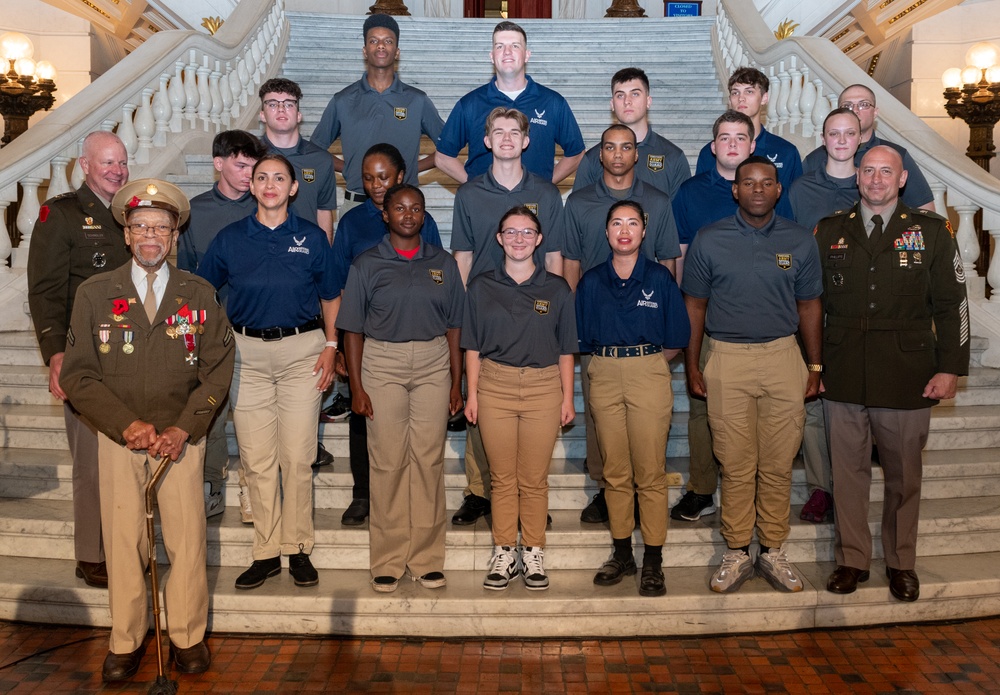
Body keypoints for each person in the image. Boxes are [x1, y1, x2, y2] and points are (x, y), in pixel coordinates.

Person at [60, 179, 234, 682]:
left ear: (175, 234)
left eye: (161, 226)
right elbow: (78, 374)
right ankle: (127, 639)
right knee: (123, 542)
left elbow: (218, 368)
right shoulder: (95, 293)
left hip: (180, 443)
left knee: (185, 541)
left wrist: (184, 427)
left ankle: (186, 635)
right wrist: (125, 424)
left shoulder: (198, 293)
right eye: (141, 227)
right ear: (127, 235)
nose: (151, 235)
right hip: (120, 440)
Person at [817, 145, 969, 602]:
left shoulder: (933, 232)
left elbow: (953, 304)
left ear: (902, 179)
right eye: (869, 171)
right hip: (842, 368)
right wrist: (814, 366)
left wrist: (950, 368)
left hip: (907, 369)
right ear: (856, 177)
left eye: (887, 171)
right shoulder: (828, 231)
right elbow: (811, 303)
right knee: (847, 474)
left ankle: (901, 562)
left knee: (904, 476)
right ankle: (852, 559)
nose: (877, 179)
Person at [682, 156, 823, 594]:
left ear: (779, 190)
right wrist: (692, 362)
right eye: (749, 182)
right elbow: (695, 307)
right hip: (727, 358)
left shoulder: (800, 241)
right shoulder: (709, 240)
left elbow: (809, 306)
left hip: (784, 357)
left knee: (779, 464)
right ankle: (738, 549)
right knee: (736, 462)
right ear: (736, 190)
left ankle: (774, 550)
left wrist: (814, 365)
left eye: (766, 182)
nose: (758, 189)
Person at [198, 154, 339, 591]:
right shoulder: (230, 238)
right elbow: (203, 290)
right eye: (262, 178)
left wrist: (332, 346)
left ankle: (297, 548)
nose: (271, 184)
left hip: (303, 354)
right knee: (258, 462)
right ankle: (265, 552)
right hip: (246, 358)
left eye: (280, 177)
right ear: (252, 187)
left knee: (297, 458)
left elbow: (332, 295)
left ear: (293, 188)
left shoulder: (313, 238)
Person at [337, 183, 465, 593]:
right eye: (400, 208)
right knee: (388, 460)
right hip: (382, 364)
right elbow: (352, 329)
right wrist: (356, 386)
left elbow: (455, 327)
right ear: (385, 215)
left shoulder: (442, 263)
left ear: (424, 216)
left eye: (416, 208)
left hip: (433, 363)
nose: (408, 215)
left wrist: (456, 381)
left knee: (427, 461)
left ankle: (426, 558)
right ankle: (389, 559)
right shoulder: (367, 264)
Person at [670, 110, 792, 527]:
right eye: (724, 137)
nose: (733, 144)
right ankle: (703, 488)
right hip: (708, 319)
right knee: (704, 407)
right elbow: (681, 256)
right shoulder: (689, 192)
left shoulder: (771, 189)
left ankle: (754, 490)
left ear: (752, 144)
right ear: (713, 145)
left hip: (762, 322)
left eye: (741, 137)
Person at [450, 106, 566, 527]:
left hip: (535, 315)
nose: (505, 139)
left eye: (513, 132)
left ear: (526, 140)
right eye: (497, 132)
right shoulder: (469, 194)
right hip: (487, 313)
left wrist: (552, 313)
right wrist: (459, 314)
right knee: (483, 407)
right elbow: (461, 257)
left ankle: (529, 497)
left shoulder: (548, 193)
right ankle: (481, 492)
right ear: (486, 141)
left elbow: (554, 258)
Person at [26, 130, 132, 589]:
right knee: (90, 462)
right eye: (107, 163)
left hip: (131, 356)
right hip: (84, 359)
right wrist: (54, 353)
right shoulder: (62, 215)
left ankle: (126, 545)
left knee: (125, 459)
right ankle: (91, 553)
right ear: (85, 164)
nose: (116, 171)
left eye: (121, 163)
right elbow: (46, 290)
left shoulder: (133, 213)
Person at [563, 123, 681, 524]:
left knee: (645, 431)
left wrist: (662, 324)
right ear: (600, 155)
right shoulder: (579, 202)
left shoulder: (658, 202)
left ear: (637, 154)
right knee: (601, 421)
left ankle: (641, 495)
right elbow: (571, 264)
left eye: (626, 147)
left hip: (645, 330)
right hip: (598, 331)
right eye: (609, 147)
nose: (617, 154)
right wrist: (574, 322)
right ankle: (604, 488)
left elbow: (667, 261)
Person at [326, 143, 444, 527]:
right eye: (367, 178)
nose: (376, 185)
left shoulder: (421, 221)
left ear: (401, 175)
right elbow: (340, 286)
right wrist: (340, 343)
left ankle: (412, 497)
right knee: (364, 416)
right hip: (367, 342)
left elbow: (436, 280)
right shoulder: (351, 222)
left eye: (383, 176)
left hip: (419, 345)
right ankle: (364, 493)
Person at [576, 200, 690, 597]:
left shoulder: (659, 278)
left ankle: (653, 561)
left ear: (644, 231)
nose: (624, 230)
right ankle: (623, 553)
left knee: (650, 472)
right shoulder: (591, 281)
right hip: (604, 372)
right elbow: (583, 336)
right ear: (606, 232)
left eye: (633, 223)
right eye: (616, 223)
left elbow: (676, 337)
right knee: (615, 471)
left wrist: (645, 364)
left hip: (648, 371)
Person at [463, 206, 576, 592]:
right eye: (511, 232)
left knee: (533, 478)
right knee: (501, 477)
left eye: (527, 232)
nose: (519, 239)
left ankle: (532, 551)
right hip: (494, 384)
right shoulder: (481, 285)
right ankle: (504, 552)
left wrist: (567, 398)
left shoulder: (556, 288)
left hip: (544, 387)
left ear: (539, 239)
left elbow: (565, 350)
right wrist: (472, 393)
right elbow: (472, 346)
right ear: (499, 238)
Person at [178, 129, 266, 522]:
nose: (249, 173)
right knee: (210, 412)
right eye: (240, 164)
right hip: (209, 332)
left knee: (252, 416)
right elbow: (184, 276)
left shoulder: (265, 206)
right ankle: (211, 483)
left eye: (253, 165)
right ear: (218, 163)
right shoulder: (193, 212)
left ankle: (253, 487)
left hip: (256, 328)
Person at [788, 108, 863, 523]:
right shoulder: (801, 190)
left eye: (848, 133)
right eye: (833, 133)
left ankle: (850, 485)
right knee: (814, 400)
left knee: (852, 402)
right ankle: (821, 488)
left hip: (859, 310)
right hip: (813, 305)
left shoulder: (871, 183)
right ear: (823, 137)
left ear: (859, 138)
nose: (840, 140)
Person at [310, 13, 444, 217]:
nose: (381, 46)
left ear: (397, 51)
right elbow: (315, 149)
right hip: (357, 205)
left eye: (387, 41)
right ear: (365, 51)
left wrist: (412, 168)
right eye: (374, 41)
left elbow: (449, 146)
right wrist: (347, 168)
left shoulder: (417, 100)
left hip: (405, 207)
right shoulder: (343, 100)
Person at [435, 20, 585, 185]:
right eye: (500, 46)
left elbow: (576, 153)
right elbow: (443, 157)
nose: (507, 52)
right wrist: (476, 188)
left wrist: (543, 186)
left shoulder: (553, 103)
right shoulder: (470, 104)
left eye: (515, 46)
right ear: (492, 56)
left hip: (534, 204)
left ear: (527, 55)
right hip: (485, 204)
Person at [803, 83, 935, 211]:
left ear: (875, 112)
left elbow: (925, 209)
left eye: (863, 105)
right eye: (847, 105)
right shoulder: (815, 159)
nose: (855, 110)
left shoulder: (896, 155)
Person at [572, 67, 690, 199]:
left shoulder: (673, 157)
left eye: (635, 94)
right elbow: (578, 212)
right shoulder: (593, 158)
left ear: (648, 101)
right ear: (612, 104)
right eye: (620, 95)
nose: (627, 101)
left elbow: (681, 216)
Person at [695, 67, 802, 190]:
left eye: (749, 91)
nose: (741, 98)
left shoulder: (786, 152)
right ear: (730, 100)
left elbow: (796, 201)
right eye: (735, 92)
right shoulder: (709, 153)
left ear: (764, 98)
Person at [258, 77, 337, 240]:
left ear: (299, 115)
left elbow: (323, 211)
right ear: (262, 115)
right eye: (272, 104)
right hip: (260, 250)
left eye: (288, 104)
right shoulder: (251, 157)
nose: (281, 109)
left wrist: (326, 256)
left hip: (305, 251)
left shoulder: (321, 160)